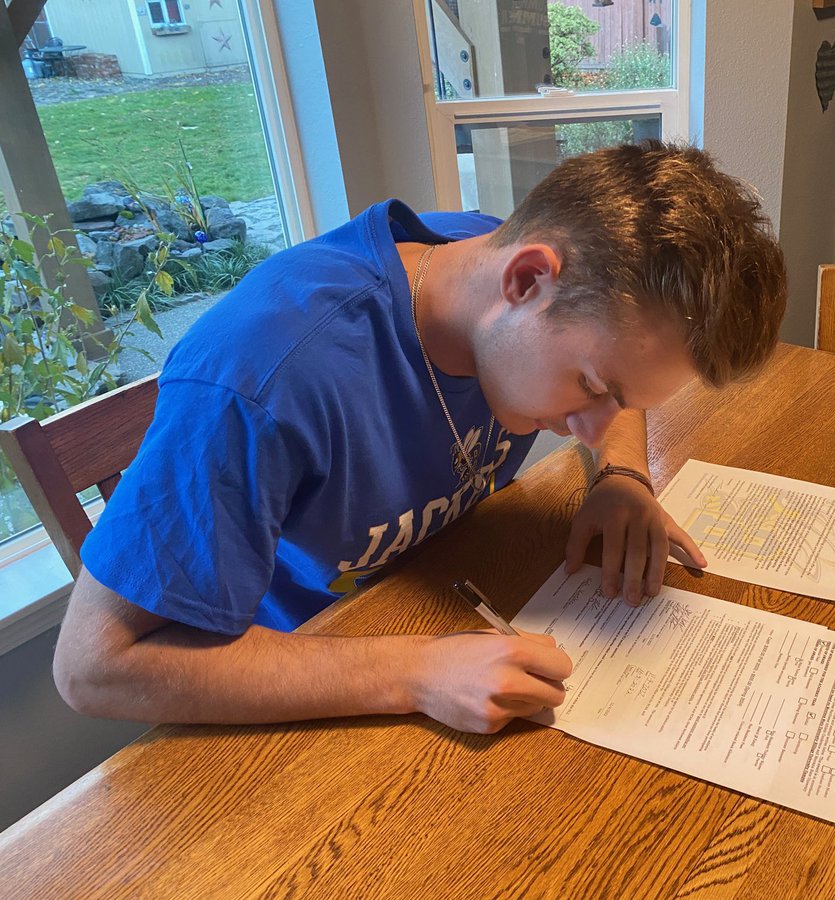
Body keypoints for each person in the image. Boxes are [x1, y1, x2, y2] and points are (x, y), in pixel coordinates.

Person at [54, 141, 788, 734]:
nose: (594, 427)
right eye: (592, 388)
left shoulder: (496, 257)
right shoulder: (261, 378)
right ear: (527, 281)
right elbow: (92, 666)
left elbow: (620, 380)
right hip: (289, 691)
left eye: (620, 398)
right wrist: (413, 672)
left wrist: (623, 475)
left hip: (438, 606)